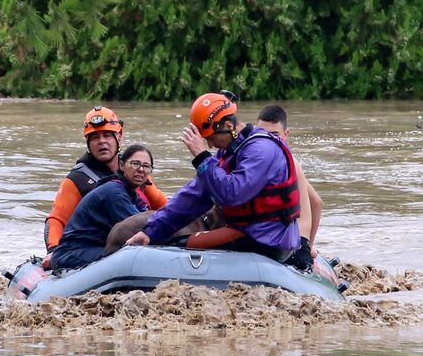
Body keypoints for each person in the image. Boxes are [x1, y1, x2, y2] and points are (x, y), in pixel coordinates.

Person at [125, 92, 300, 261]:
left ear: (228, 126)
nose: (209, 145)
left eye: (211, 137)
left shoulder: (261, 150)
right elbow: (192, 196)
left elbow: (233, 193)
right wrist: (151, 231)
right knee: (167, 240)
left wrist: (202, 157)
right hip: (247, 230)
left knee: (177, 246)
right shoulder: (229, 152)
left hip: (268, 238)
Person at [43, 106, 167, 259]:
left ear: (119, 137)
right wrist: (53, 250)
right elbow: (56, 220)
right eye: (95, 137)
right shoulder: (77, 179)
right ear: (88, 142)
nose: (102, 141)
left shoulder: (136, 172)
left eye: (107, 135)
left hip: (124, 241)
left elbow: (163, 207)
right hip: (90, 249)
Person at [50, 145, 156, 270]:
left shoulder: (132, 194)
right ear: (121, 165)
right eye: (135, 164)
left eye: (146, 166)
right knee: (133, 255)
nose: (141, 169)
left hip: (95, 248)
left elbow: (151, 219)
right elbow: (139, 229)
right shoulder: (114, 192)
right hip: (72, 253)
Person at [254, 105, 322, 271]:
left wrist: (307, 246)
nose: (268, 141)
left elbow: (316, 203)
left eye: (274, 135)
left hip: (286, 242)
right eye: (263, 134)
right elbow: (316, 201)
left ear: (286, 134)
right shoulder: (274, 161)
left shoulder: (289, 163)